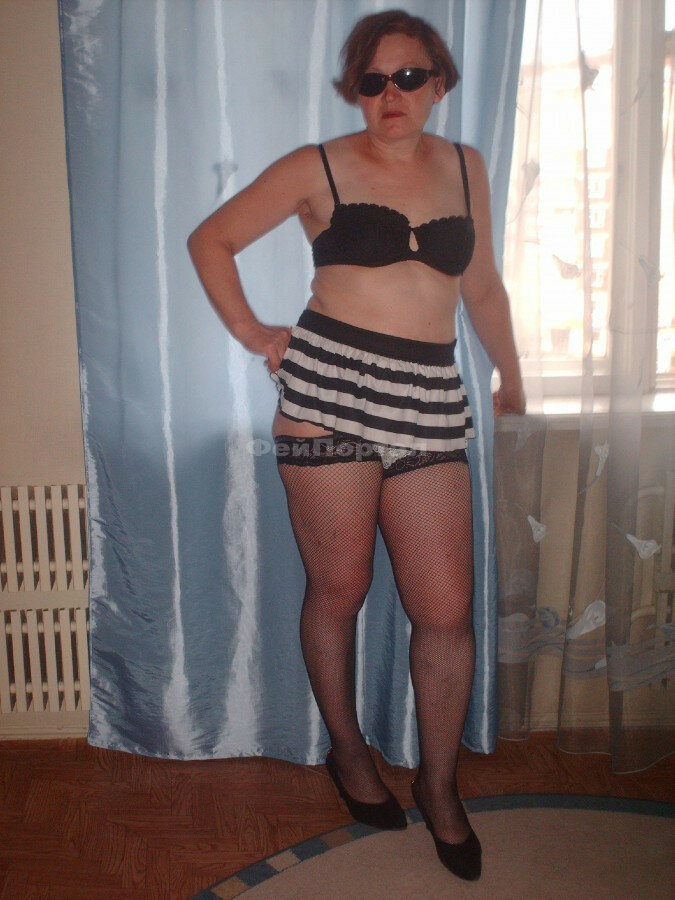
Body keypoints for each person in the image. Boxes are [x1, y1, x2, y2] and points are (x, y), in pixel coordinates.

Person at [188, 9, 525, 883]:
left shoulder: (466, 165)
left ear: (439, 82)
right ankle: (346, 751)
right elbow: (211, 239)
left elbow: (482, 285)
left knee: (444, 609)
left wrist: (510, 375)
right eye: (372, 81)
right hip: (326, 396)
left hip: (428, 397)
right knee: (340, 588)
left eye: (408, 77)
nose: (390, 95)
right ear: (354, 91)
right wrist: (254, 331)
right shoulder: (318, 166)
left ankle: (438, 785)